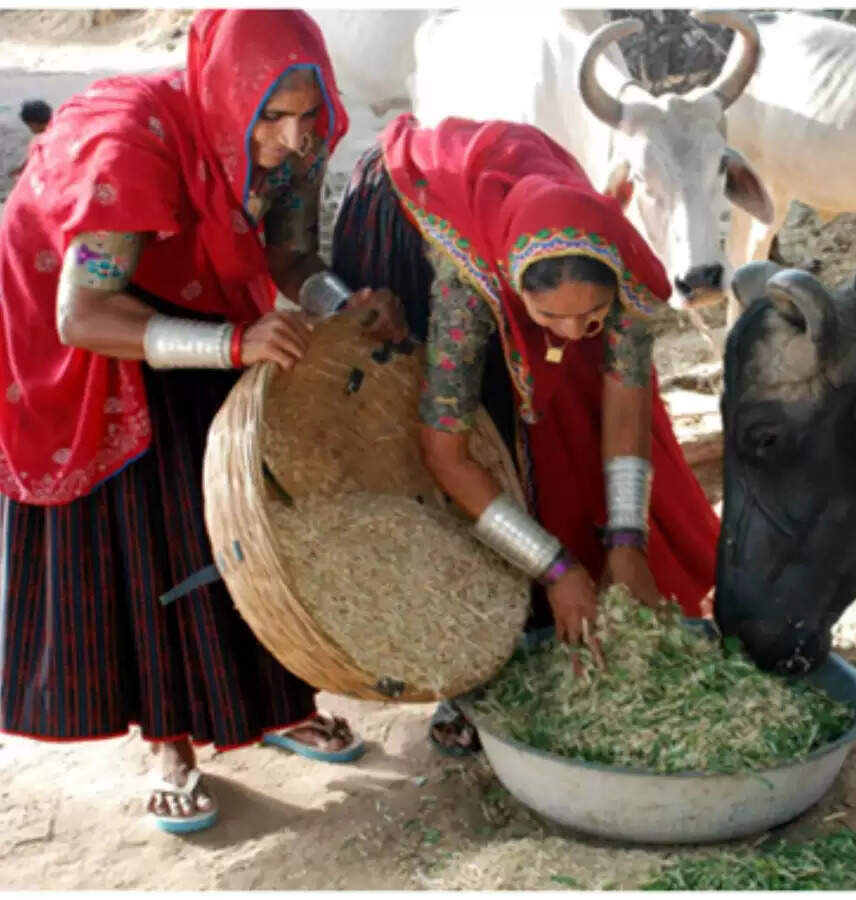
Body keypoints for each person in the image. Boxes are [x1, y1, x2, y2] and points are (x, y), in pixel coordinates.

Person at [0, 10, 401, 834]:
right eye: (273, 116)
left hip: (206, 312)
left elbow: (291, 259)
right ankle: (170, 742)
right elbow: (81, 314)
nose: (292, 138)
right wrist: (229, 344)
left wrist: (341, 302)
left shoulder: (297, 139)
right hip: (93, 327)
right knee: (147, 522)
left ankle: (273, 705)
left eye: (305, 113)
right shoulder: (128, 148)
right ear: (229, 96)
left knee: (234, 512)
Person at [330, 115, 721, 753]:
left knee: (570, 396)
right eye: (549, 319)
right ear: (512, 291)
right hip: (416, 207)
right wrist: (556, 567)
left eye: (592, 317)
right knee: (477, 422)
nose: (571, 335)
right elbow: (444, 452)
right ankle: (467, 670)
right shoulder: (465, 285)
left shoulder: (621, 272)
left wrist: (627, 542)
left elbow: (625, 403)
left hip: (530, 198)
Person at [7, 99, 53, 178]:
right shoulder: (59, 127)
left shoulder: (41, 141)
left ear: (33, 124)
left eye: (29, 126)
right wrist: (21, 168)